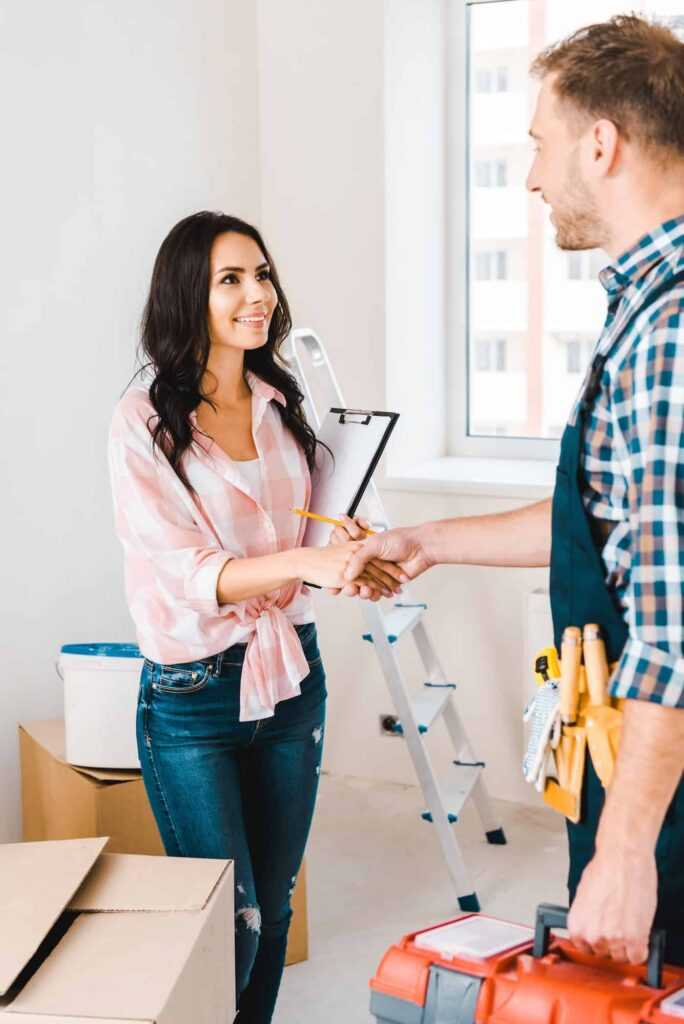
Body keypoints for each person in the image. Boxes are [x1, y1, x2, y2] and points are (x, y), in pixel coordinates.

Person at [339, 15, 684, 967]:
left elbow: (675, 625)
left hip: (667, 803)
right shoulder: (647, 309)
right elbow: (618, 527)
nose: (531, 176)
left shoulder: (670, 332)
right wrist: (434, 540)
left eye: (539, 144)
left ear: (601, 145)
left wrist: (624, 852)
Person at [108, 211, 401, 1023]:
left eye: (262, 275)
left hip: (291, 679)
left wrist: (350, 558)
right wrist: (307, 562)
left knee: (271, 911)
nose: (256, 295)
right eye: (230, 279)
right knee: (224, 926)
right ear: (184, 296)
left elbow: (312, 534)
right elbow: (186, 573)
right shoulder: (142, 423)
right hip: (192, 696)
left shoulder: (284, 403)